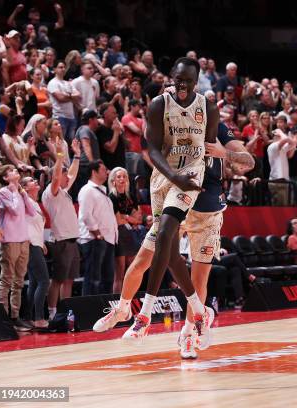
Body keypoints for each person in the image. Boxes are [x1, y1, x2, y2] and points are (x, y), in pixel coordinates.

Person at [93, 122, 253, 359]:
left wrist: (223, 153)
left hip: (207, 211)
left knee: (199, 280)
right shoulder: (171, 124)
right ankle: (123, 308)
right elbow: (150, 149)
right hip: (177, 204)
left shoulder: (217, 127)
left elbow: (248, 162)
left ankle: (188, 334)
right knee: (141, 262)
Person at [122, 57, 219, 341]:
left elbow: (209, 147)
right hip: (164, 177)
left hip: (190, 175)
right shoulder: (158, 105)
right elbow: (150, 148)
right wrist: (173, 177)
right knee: (172, 252)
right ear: (172, 77)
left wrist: (208, 175)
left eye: (188, 80)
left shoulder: (208, 108)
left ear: (197, 80)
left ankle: (144, 315)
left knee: (165, 232)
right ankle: (200, 311)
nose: (182, 84)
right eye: (178, 79)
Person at [42, 139, 81, 321]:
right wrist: (59, 156)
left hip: (72, 241)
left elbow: (71, 172)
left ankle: (67, 310)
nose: (68, 178)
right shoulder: (52, 191)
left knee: (69, 279)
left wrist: (77, 156)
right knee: (58, 279)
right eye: (65, 176)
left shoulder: (64, 192)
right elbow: (58, 176)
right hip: (61, 242)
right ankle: (52, 312)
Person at [0, 164, 37, 331]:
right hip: (10, 240)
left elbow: (32, 212)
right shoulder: (4, 192)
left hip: (23, 240)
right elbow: (12, 211)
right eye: (11, 171)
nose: (15, 172)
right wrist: (14, 191)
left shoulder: (19, 192)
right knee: (6, 279)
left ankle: (15, 316)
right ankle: (2, 317)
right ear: (6, 178)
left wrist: (23, 193)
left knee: (19, 281)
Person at [77, 160, 117, 295]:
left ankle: (104, 310)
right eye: (103, 170)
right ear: (94, 172)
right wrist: (98, 234)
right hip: (95, 240)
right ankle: (89, 311)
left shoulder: (103, 191)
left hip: (108, 239)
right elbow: (86, 215)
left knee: (107, 279)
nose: (107, 172)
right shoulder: (87, 190)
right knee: (93, 278)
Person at [21, 175, 49, 329]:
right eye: (31, 181)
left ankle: (27, 317)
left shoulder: (35, 204)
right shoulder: (25, 202)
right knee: (44, 281)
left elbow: (35, 226)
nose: (36, 181)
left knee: (34, 283)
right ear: (24, 188)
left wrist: (42, 242)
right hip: (30, 245)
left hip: (36, 244)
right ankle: (38, 318)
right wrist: (33, 242)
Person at [108, 167, 141, 293]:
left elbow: (138, 218)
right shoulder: (112, 197)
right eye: (119, 177)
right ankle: (117, 303)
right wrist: (129, 217)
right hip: (119, 234)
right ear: (113, 181)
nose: (122, 179)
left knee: (133, 271)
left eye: (124, 176)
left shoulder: (131, 196)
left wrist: (125, 217)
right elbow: (117, 220)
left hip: (130, 234)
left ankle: (131, 300)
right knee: (120, 273)